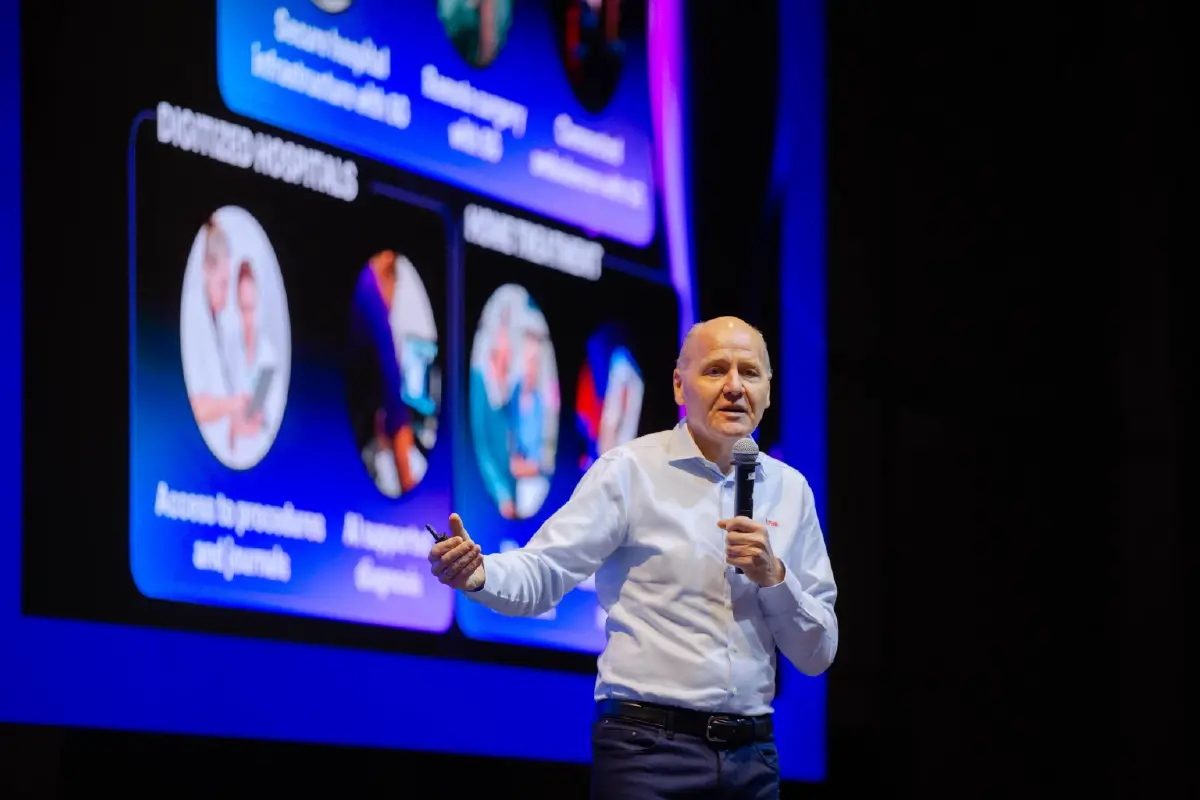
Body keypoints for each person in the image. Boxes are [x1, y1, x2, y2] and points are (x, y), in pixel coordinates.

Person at [429, 316, 838, 799]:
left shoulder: (792, 493)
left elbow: (817, 653)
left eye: (749, 373)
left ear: (768, 390)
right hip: (647, 751)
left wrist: (775, 577)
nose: (734, 386)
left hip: (753, 760)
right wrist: (479, 573)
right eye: (715, 370)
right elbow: (545, 570)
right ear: (679, 385)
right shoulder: (630, 471)